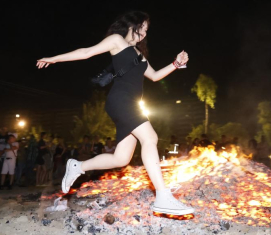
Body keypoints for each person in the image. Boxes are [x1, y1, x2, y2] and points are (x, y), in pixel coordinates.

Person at [37, 11, 194, 215]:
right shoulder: (116, 40)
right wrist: (54, 59)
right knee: (150, 137)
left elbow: (154, 76)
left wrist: (176, 64)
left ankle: (78, 166)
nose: (145, 32)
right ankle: (162, 196)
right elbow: (86, 52)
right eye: (143, 27)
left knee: (121, 158)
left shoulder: (139, 54)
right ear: (132, 24)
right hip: (121, 100)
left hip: (131, 103)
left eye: (148, 29)